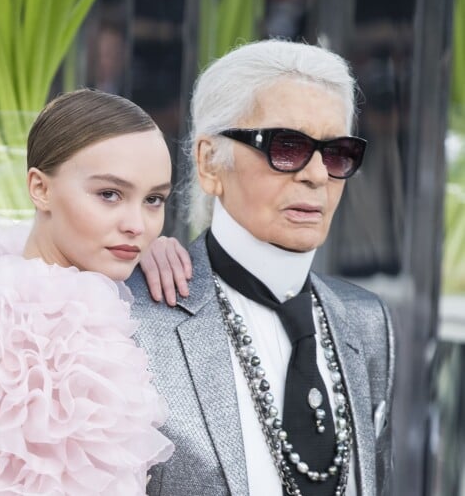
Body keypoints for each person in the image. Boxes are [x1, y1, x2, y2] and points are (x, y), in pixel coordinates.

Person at [129, 39, 395, 495]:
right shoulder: (133, 315)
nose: (315, 175)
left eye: (337, 154)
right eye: (287, 146)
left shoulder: (367, 321)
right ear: (211, 162)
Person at [0, 89, 174, 495]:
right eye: (109, 194)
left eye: (154, 200)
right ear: (40, 188)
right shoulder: (15, 329)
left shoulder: (27, 284)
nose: (137, 225)